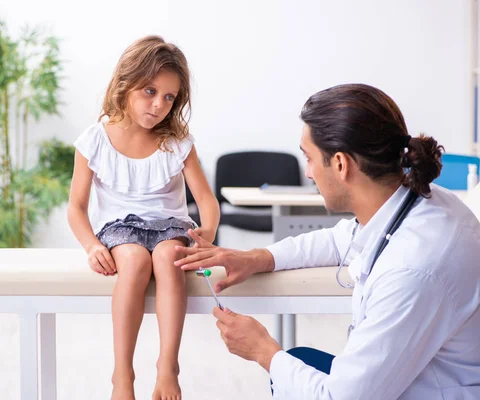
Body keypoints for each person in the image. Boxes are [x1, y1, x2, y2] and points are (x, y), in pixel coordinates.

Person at [175, 83, 480, 399]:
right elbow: (339, 240)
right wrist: (258, 257)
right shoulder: (417, 201)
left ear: (340, 164)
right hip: (418, 375)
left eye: (309, 158)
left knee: (286, 367)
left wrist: (262, 350)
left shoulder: (412, 270)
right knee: (299, 362)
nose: (307, 173)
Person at [67, 36, 220, 400]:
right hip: (120, 228)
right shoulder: (95, 140)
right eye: (150, 91)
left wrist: (207, 232)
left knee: (168, 258)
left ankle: (168, 366)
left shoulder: (177, 142)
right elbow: (75, 207)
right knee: (134, 261)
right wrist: (91, 246)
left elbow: (207, 202)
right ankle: (122, 373)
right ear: (125, 84)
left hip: (170, 227)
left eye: (169, 97)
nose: (158, 105)